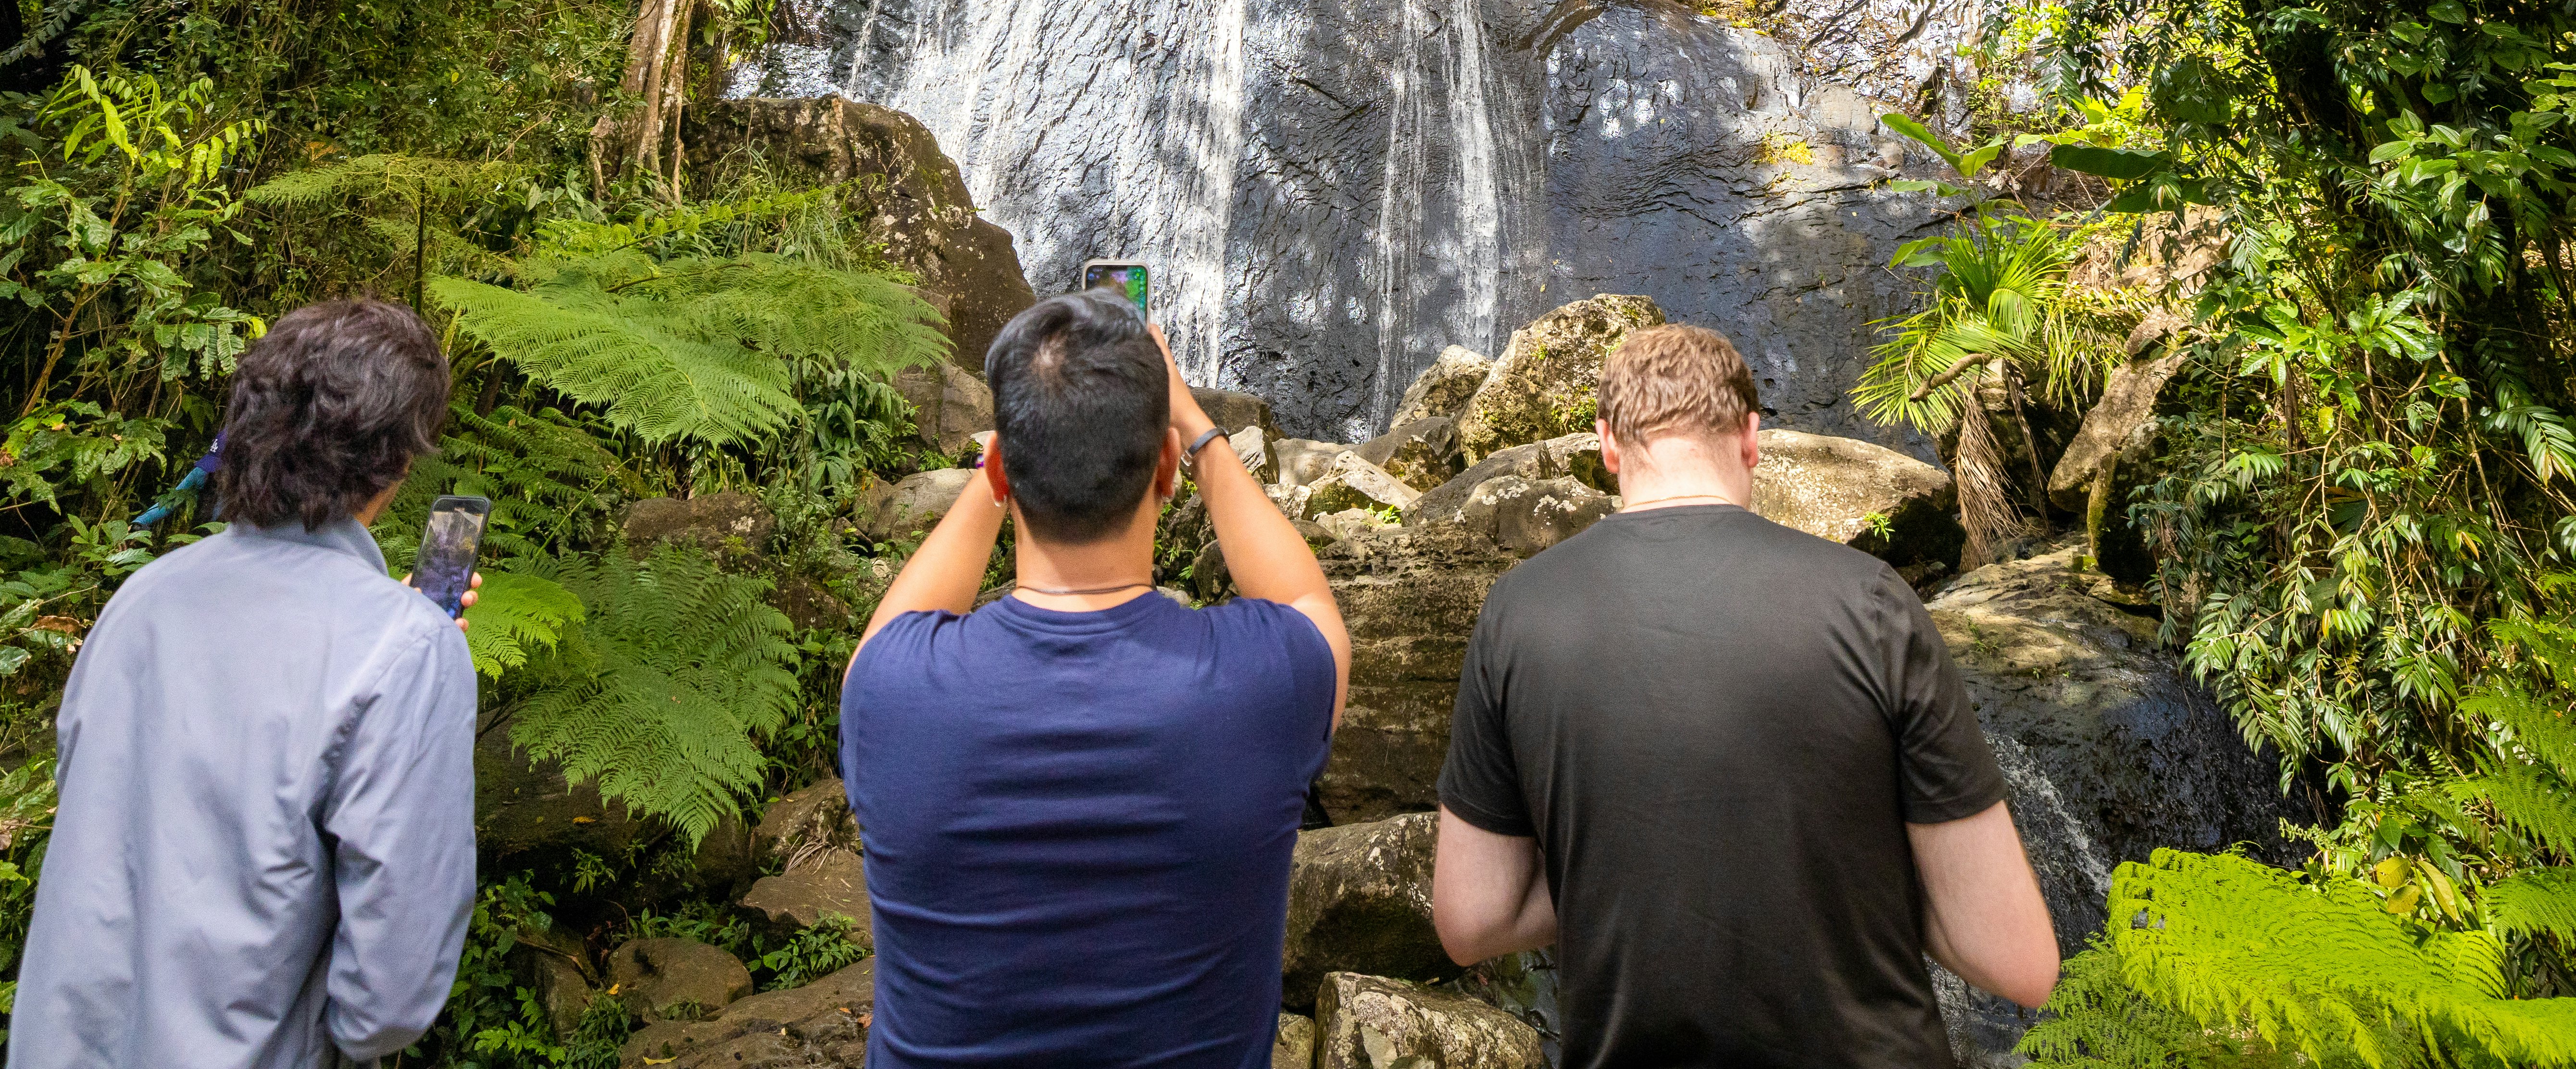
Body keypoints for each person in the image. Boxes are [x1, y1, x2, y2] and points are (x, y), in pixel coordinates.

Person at [1432, 321, 2059, 1068]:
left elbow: (1471, 919)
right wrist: (1845, 872)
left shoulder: (1518, 611)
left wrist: (1609, 864)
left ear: (1607, 444)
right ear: (1751, 436)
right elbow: (2019, 960)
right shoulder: (1871, 602)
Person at [843, 288, 1351, 1069]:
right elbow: (1307, 600)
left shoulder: (890, 692)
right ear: (1167, 466)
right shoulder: (1261, 684)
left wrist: (998, 470)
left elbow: (889, 628)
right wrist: (1194, 420)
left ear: (1002, 471)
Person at [13, 298, 482, 1068]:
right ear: (398, 459)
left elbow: (109, 815)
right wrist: (406, 645)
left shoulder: (142, 601)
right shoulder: (404, 652)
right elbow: (388, 999)